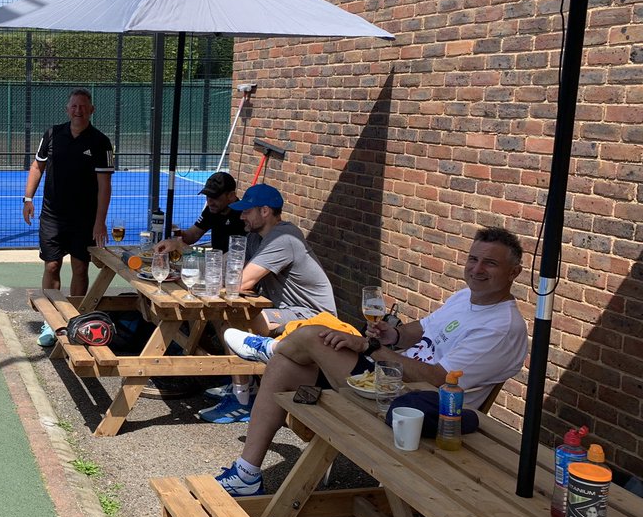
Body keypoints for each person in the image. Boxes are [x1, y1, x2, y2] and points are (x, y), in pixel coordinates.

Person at [215, 226, 528, 497]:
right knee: (288, 363)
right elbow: (414, 332)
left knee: (311, 337)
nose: (477, 269)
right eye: (473, 259)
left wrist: (371, 345)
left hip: (413, 406)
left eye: (490, 263)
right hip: (388, 380)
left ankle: (273, 347)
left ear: (513, 272)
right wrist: (390, 334)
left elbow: (437, 379)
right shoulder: (464, 298)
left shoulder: (501, 327)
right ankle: (246, 474)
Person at [201, 183, 338, 424]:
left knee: (235, 324)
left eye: (246, 211)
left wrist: (211, 275)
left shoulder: (283, 238)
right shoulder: (256, 236)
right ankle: (243, 385)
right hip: (286, 310)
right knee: (219, 315)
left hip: (312, 317)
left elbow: (241, 282)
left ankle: (242, 399)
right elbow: (228, 262)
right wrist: (192, 257)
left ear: (265, 211)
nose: (241, 215)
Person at [23, 88, 114, 347]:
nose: (78, 110)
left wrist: (100, 221)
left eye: (83, 106)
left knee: (80, 267)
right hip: (51, 215)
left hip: (84, 219)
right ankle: (51, 320)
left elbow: (105, 185)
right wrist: (28, 199)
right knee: (51, 266)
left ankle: (76, 319)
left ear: (92, 110)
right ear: (67, 109)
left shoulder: (100, 142)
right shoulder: (52, 134)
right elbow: (37, 167)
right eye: (74, 106)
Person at [154, 171, 247, 256]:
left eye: (215, 197)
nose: (210, 202)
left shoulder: (244, 216)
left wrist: (181, 246)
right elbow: (193, 235)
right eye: (207, 196)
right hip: (215, 263)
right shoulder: (212, 210)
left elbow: (234, 258)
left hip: (229, 265)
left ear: (231, 196)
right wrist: (175, 231)